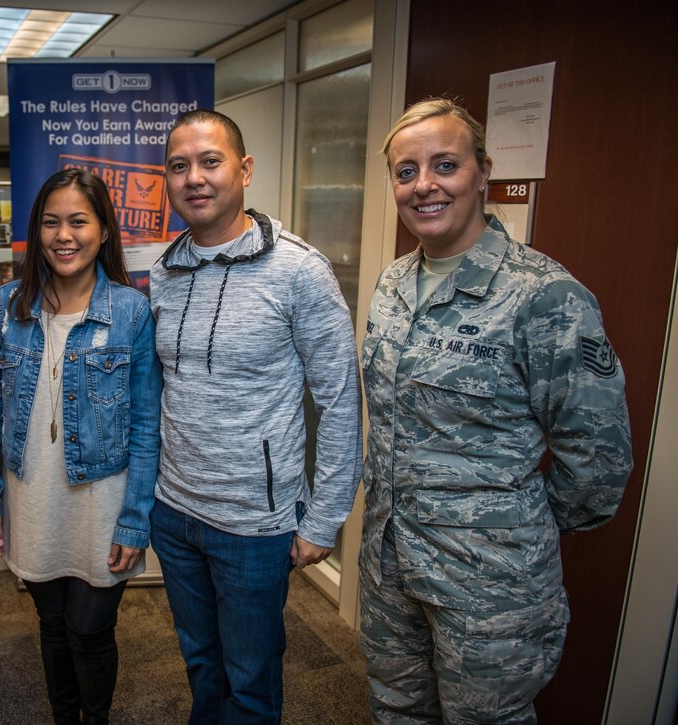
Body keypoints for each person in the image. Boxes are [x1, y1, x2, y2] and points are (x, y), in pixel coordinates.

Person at [360, 98, 634, 723]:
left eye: (445, 165)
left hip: (490, 589)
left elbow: (597, 462)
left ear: (482, 173)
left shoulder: (545, 297)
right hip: (389, 565)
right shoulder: (393, 284)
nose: (423, 185)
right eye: (406, 171)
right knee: (396, 711)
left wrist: (509, 529)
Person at [149, 109, 363, 723]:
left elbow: (341, 400)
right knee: (200, 665)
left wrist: (324, 518)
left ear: (244, 169)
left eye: (210, 162)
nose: (195, 178)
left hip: (255, 525)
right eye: (179, 166)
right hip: (176, 511)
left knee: (251, 680)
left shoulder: (299, 271)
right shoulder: (165, 271)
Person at [0, 168, 162, 725]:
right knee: (51, 626)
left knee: (90, 630)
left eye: (79, 220)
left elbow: (148, 422)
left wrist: (134, 520)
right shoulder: (8, 305)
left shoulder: (130, 310)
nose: (64, 235)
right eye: (51, 222)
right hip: (31, 498)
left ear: (103, 230)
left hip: (102, 505)